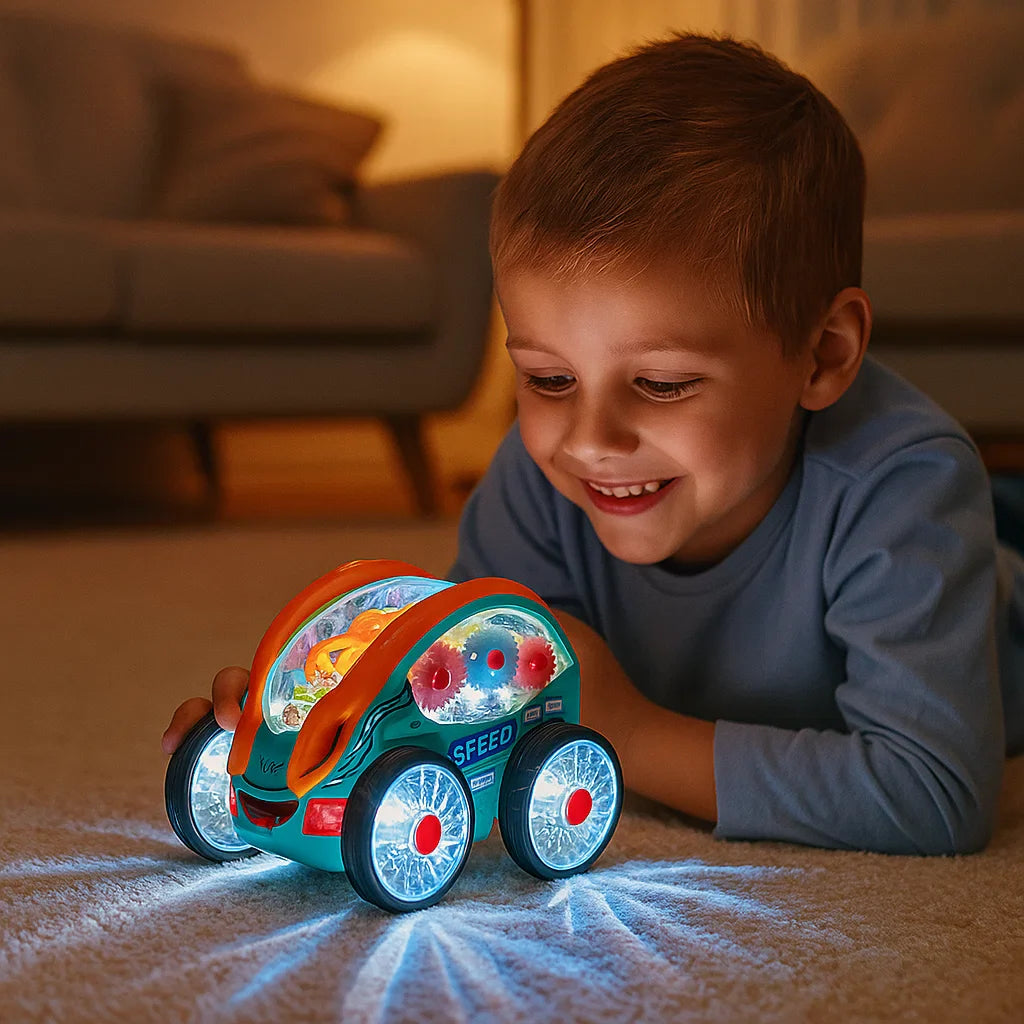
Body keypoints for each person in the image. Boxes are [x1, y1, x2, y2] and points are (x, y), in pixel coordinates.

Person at [163, 32, 1024, 855]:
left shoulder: (905, 488)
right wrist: (308, 721)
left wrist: (633, 732)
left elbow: (935, 793)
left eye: (661, 384)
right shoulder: (539, 481)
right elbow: (469, 707)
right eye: (547, 378)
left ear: (824, 353)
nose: (591, 439)